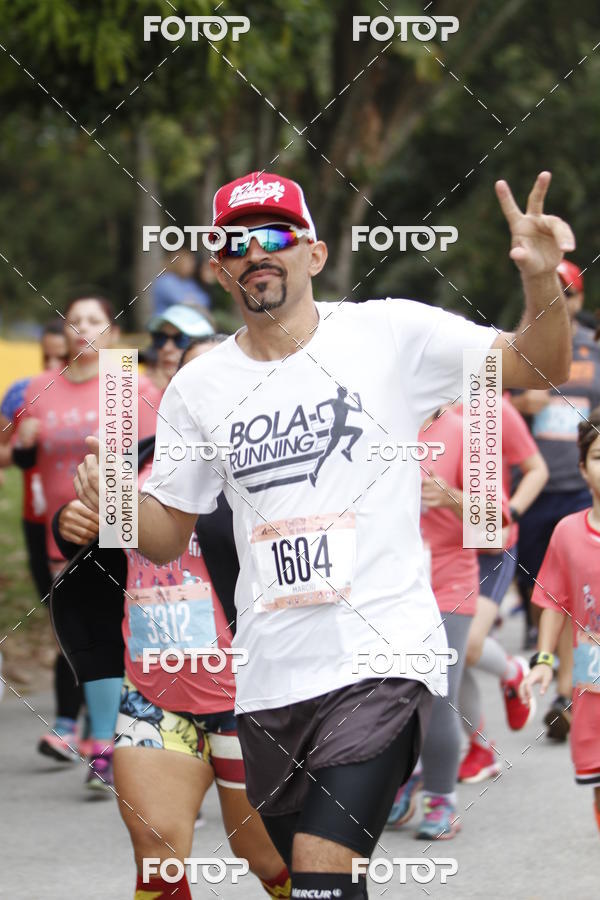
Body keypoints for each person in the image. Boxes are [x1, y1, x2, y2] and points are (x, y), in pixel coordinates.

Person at [75, 170, 574, 898]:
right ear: (219, 268)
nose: (256, 253)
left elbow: (540, 363)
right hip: (270, 677)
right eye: (235, 243)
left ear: (312, 252)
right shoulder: (200, 387)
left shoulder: (388, 333)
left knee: (320, 867)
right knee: (313, 881)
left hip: (381, 659)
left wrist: (541, 284)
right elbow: (161, 536)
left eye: (275, 235)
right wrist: (118, 499)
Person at [52, 335, 291, 900]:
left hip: (249, 696)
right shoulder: (143, 461)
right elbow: (94, 542)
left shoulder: (281, 469)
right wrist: (72, 522)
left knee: (263, 853)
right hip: (154, 693)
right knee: (157, 851)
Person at [13, 295, 160, 788]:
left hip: (115, 522)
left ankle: (123, 739)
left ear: (113, 332)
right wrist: (22, 443)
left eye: (95, 320)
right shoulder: (39, 386)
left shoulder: (127, 381)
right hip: (55, 524)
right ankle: (102, 741)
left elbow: (155, 455)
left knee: (118, 624)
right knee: (80, 627)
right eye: (74, 321)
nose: (83, 328)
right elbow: (17, 456)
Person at [511, 259, 600, 740]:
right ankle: (561, 675)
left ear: (579, 300)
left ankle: (571, 692)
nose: (559, 304)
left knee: (575, 599)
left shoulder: (593, 348)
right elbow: (487, 411)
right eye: (550, 296)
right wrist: (520, 401)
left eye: (567, 295)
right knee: (538, 589)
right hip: (533, 491)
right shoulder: (520, 349)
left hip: (583, 488)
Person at [387, 406, 483, 838]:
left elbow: (496, 525)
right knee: (389, 694)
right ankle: (404, 781)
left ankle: (442, 799)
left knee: (438, 692)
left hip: (448, 585)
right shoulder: (379, 419)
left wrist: (453, 497)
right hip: (385, 585)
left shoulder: (466, 432)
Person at [458, 395, 549, 782]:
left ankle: (512, 669)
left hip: (488, 548)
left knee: (469, 645)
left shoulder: (491, 407)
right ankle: (479, 747)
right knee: (448, 654)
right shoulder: (416, 403)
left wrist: (509, 513)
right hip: (437, 549)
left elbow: (536, 469)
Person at [520, 407, 600, 836]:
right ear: (583, 471)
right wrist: (545, 660)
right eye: (599, 457)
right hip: (593, 681)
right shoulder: (568, 532)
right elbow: (552, 599)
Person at [144, 303, 215, 393]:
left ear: (209, 346)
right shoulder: (139, 398)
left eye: (181, 339)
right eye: (161, 338)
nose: (166, 348)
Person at [152, 250, 211, 315]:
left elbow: (205, 300)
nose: (192, 266)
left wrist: (191, 300)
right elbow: (181, 302)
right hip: (164, 321)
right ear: (178, 263)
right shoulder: (166, 280)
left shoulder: (188, 281)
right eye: (188, 263)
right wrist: (192, 299)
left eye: (192, 263)